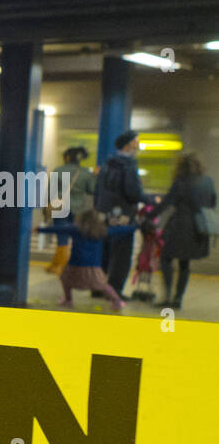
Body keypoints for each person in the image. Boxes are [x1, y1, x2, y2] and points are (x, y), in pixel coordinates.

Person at [144, 153, 216, 309]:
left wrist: (149, 216)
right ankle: (177, 299)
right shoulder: (208, 181)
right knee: (185, 263)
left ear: (181, 166)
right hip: (199, 228)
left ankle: (167, 296)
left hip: (180, 226)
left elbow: (167, 202)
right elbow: (212, 202)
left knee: (166, 258)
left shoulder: (181, 181)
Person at [36, 209, 136, 310]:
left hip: (75, 264)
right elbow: (120, 230)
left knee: (65, 279)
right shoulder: (101, 231)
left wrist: (39, 230)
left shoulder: (75, 229)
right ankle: (116, 301)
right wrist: (135, 226)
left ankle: (68, 300)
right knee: (103, 285)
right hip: (93, 267)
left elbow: (58, 229)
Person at [92, 131, 144, 298]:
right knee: (121, 255)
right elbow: (133, 192)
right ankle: (114, 291)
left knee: (103, 252)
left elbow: (97, 190)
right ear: (128, 144)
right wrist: (149, 199)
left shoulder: (107, 163)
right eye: (136, 141)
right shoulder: (128, 164)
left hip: (104, 214)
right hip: (123, 216)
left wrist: (99, 210)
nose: (138, 145)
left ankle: (98, 288)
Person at [45, 145, 94, 274]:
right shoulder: (86, 173)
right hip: (78, 209)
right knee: (76, 238)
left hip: (60, 207)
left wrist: (47, 205)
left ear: (67, 157)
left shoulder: (58, 170)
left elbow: (51, 191)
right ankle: (59, 263)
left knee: (62, 236)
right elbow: (92, 190)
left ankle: (61, 266)